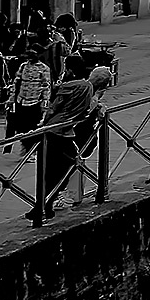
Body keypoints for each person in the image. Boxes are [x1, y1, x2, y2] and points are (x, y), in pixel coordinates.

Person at [39, 56, 100, 214]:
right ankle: (46, 203)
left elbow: (53, 109)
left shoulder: (68, 87)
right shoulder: (88, 87)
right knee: (65, 168)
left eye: (66, 68)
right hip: (69, 131)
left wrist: (42, 122)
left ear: (71, 70)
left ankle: (44, 204)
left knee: (49, 170)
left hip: (55, 129)